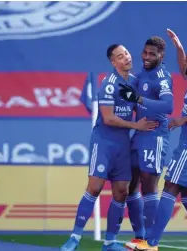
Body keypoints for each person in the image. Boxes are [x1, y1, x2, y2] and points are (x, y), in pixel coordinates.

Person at [60, 44, 158, 251]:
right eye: (121, 57)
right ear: (114, 62)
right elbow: (108, 118)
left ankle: (110, 242)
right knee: (94, 187)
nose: (127, 58)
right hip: (104, 142)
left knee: (121, 192)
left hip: (123, 145)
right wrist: (135, 126)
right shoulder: (108, 84)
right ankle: (74, 238)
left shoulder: (135, 82)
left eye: (128, 54)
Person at [134, 29, 187, 251]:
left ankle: (151, 243)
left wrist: (184, 119)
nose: (183, 62)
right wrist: (179, 46)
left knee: (169, 186)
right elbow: (185, 64)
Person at [119, 37, 174, 249]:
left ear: (161, 55)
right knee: (129, 186)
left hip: (155, 135)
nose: (147, 57)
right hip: (139, 134)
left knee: (149, 186)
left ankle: (152, 242)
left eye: (152, 54)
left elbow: (168, 106)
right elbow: (127, 92)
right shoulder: (140, 74)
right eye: (145, 53)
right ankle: (140, 237)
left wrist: (139, 99)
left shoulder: (162, 78)